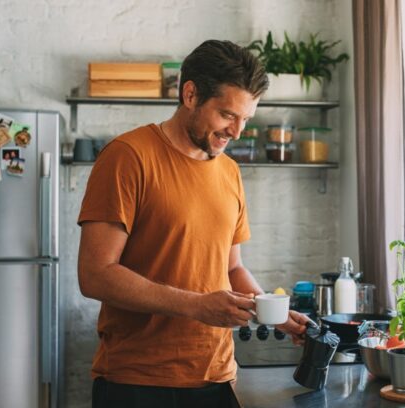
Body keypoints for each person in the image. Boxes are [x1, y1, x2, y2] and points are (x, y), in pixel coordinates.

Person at [77, 40, 309, 408]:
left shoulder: (230, 172)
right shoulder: (128, 157)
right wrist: (196, 306)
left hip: (216, 376)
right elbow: (95, 274)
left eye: (246, 119)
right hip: (138, 381)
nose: (237, 131)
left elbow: (231, 266)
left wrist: (273, 313)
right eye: (227, 115)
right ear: (190, 94)